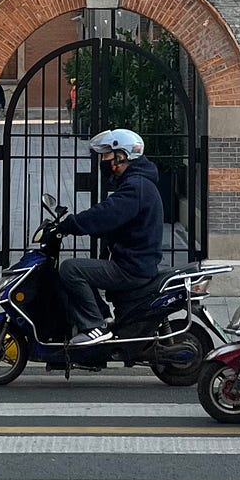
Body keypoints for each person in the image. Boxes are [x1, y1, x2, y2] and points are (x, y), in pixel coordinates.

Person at [54, 127, 164, 347]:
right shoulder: (138, 183)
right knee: (86, 268)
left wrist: (70, 224)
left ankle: (94, 327)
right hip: (135, 262)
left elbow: (105, 214)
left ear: (121, 156)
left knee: (71, 269)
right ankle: (104, 317)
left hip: (131, 267)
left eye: (106, 156)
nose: (102, 161)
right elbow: (113, 219)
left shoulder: (135, 187)